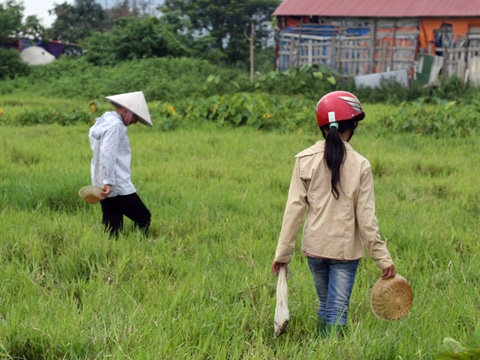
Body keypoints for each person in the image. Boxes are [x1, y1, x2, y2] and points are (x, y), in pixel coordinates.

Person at [271, 91, 396, 337]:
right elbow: (367, 221)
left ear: (323, 127)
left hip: (315, 249)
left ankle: (321, 349)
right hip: (344, 251)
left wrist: (282, 255)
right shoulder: (361, 164)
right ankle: (333, 351)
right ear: (351, 126)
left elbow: (293, 212)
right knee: (337, 309)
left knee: (325, 305)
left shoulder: (304, 160)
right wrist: (383, 259)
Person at [89, 91, 153, 237]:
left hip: (101, 183)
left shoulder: (104, 121)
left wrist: (104, 181)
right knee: (143, 217)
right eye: (135, 116)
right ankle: (141, 249)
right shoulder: (116, 126)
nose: (135, 121)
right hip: (115, 184)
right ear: (126, 110)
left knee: (113, 226)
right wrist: (109, 181)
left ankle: (113, 253)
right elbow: (108, 154)